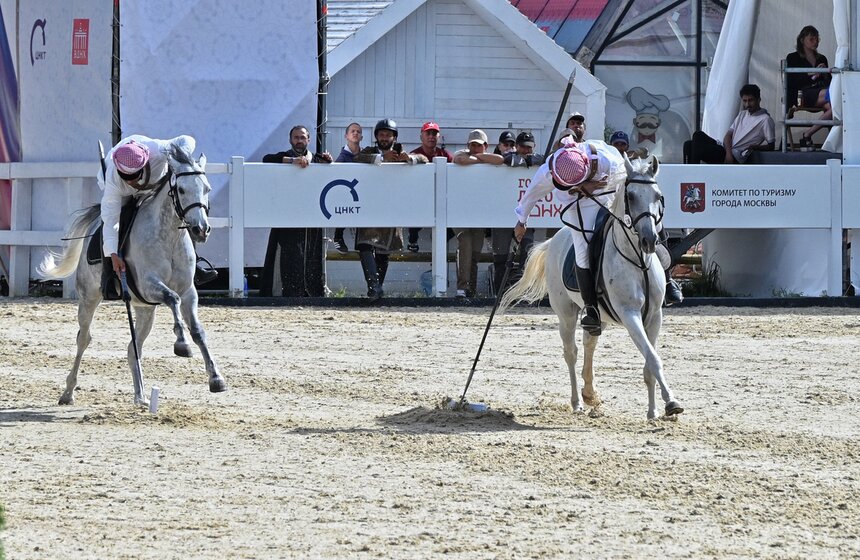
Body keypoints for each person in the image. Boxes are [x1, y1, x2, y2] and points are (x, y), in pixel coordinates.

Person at [513, 139, 681, 335]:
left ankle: (668, 282)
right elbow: (530, 196)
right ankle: (591, 308)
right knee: (582, 250)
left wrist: (594, 186)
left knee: (651, 219)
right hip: (577, 203)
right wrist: (521, 221)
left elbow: (627, 181)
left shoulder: (608, 159)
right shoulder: (549, 170)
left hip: (607, 190)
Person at [99, 134, 217, 300]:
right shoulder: (114, 179)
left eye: (134, 176)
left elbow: (187, 140)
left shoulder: (158, 150)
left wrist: (180, 153)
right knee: (119, 215)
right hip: (122, 194)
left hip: (156, 184)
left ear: (145, 162)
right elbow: (110, 220)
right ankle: (108, 275)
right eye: (126, 176)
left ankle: (194, 264)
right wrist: (112, 254)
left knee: (181, 209)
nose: (131, 181)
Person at [352, 119, 425, 300]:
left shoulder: (401, 152)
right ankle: (374, 286)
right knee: (364, 245)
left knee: (384, 250)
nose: (384, 138)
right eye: (381, 134)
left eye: (388, 134)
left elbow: (423, 159)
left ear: (394, 137)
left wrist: (410, 159)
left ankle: (377, 289)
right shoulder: (370, 151)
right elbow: (357, 158)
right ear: (376, 136)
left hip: (391, 207)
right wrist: (382, 159)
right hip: (370, 207)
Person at [260, 125, 332, 297]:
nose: (299, 141)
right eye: (296, 137)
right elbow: (266, 159)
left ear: (309, 139)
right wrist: (292, 162)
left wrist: (329, 162)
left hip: (312, 215)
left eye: (302, 137)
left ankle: (312, 292)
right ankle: (288, 292)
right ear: (290, 140)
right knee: (289, 255)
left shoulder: (317, 159)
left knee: (312, 254)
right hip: (288, 215)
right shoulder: (284, 157)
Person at [491, 131, 544, 295]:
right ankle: (499, 291)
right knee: (501, 255)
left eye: (529, 147)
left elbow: (545, 158)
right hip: (502, 214)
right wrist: (525, 160)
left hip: (526, 216)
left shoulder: (537, 159)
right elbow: (507, 159)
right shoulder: (510, 158)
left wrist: (529, 159)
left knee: (526, 254)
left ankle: (523, 292)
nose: (526, 150)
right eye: (522, 147)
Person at [452, 129, 503, 297]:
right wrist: (481, 158)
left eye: (478, 146)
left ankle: (471, 290)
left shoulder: (485, 157)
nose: (475, 148)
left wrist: (479, 158)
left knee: (475, 253)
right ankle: (462, 287)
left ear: (486, 146)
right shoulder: (462, 153)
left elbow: (500, 159)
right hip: (459, 211)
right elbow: (459, 159)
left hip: (479, 213)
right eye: (472, 145)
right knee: (465, 243)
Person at [684, 84, 775, 164]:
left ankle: (692, 173)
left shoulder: (765, 120)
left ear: (759, 100)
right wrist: (728, 153)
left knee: (695, 148)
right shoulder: (742, 114)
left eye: (750, 100)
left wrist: (756, 147)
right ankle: (692, 170)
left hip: (736, 155)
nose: (747, 104)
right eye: (745, 101)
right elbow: (728, 135)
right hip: (726, 150)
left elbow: (771, 146)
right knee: (695, 137)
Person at [408, 122, 453, 252]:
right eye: (428, 133)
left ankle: (439, 239)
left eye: (434, 133)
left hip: (442, 200)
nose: (431, 137)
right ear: (421, 136)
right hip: (420, 199)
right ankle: (413, 238)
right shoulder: (414, 153)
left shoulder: (446, 155)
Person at [786, 25, 832, 148]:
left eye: (817, 39)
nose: (816, 42)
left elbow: (829, 82)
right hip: (801, 94)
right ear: (802, 40)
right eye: (812, 39)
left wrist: (826, 73)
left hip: (821, 93)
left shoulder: (821, 58)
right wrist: (812, 74)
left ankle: (807, 134)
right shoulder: (792, 57)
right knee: (835, 97)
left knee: (835, 108)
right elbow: (791, 82)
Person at [331, 122, 363, 254]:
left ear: (361, 137)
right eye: (352, 131)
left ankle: (364, 243)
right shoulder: (341, 159)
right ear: (346, 136)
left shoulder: (367, 155)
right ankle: (338, 236)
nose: (356, 133)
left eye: (358, 131)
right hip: (347, 196)